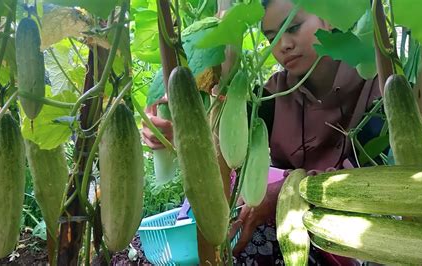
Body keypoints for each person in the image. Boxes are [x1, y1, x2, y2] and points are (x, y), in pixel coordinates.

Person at [143, 0, 383, 264]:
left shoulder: (374, 88)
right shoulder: (270, 97)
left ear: (327, 16)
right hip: (297, 231)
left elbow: (376, 183)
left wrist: (283, 191)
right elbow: (222, 135)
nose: (283, 44)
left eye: (292, 27)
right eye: (272, 37)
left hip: (363, 237)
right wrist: (176, 133)